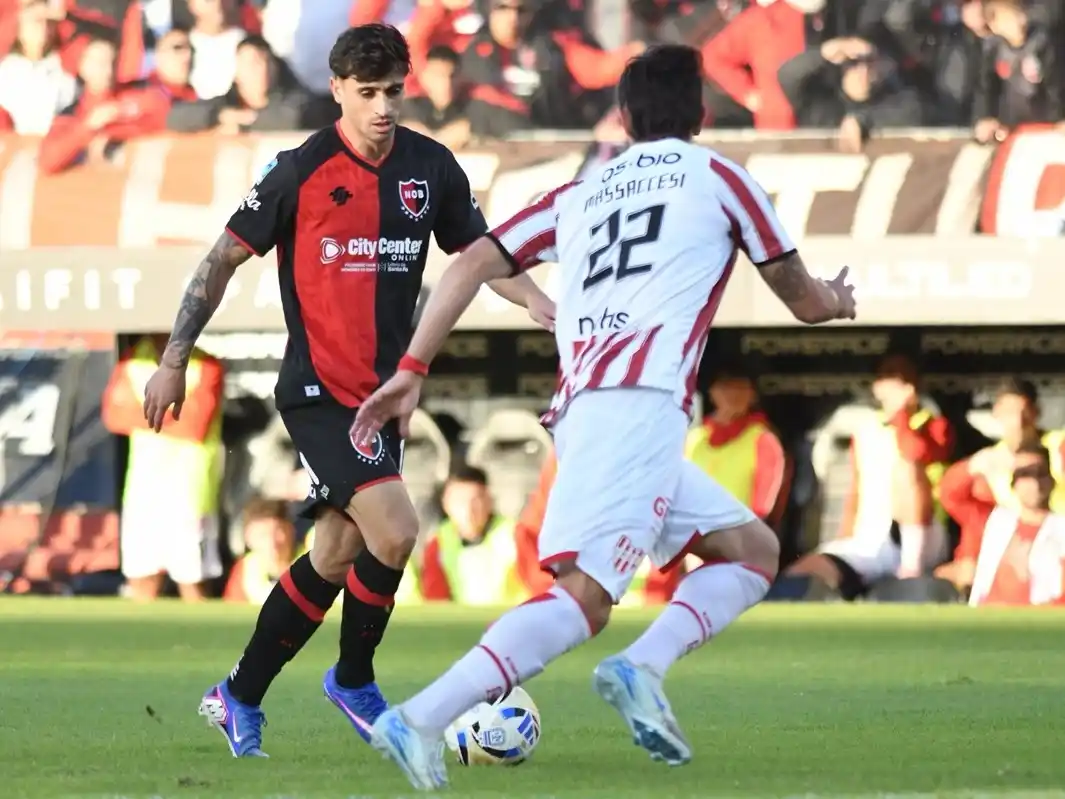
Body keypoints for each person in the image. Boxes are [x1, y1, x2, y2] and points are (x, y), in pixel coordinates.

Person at [351, 43, 856, 790]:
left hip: (589, 404)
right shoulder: (720, 178)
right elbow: (804, 299)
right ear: (702, 113)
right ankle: (420, 716)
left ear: (621, 118)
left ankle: (641, 667)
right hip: (641, 406)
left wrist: (412, 368)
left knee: (753, 550)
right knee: (582, 599)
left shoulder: (580, 192)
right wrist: (838, 298)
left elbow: (465, 264)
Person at [140, 23, 554, 759]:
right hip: (319, 392)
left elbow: (482, 256)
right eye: (367, 94)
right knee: (394, 530)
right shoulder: (298, 170)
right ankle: (353, 679)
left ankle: (237, 694)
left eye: (393, 91)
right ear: (337, 90)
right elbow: (219, 261)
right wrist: (175, 357)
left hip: (384, 395)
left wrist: (537, 301)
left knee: (334, 552)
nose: (382, 108)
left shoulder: (431, 168)